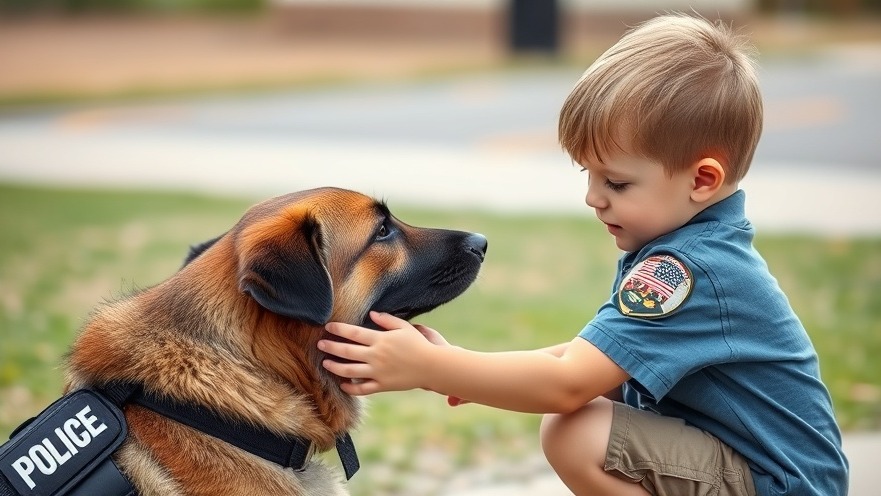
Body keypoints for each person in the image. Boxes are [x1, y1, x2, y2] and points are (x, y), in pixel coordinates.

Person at [317, 13, 849, 496]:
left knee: (577, 431)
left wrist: (436, 369)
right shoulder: (691, 247)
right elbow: (592, 359)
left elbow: (569, 382)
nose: (594, 197)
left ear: (702, 180)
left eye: (616, 181)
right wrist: (463, 369)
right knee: (587, 418)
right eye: (589, 175)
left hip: (777, 482)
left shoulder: (685, 270)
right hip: (765, 470)